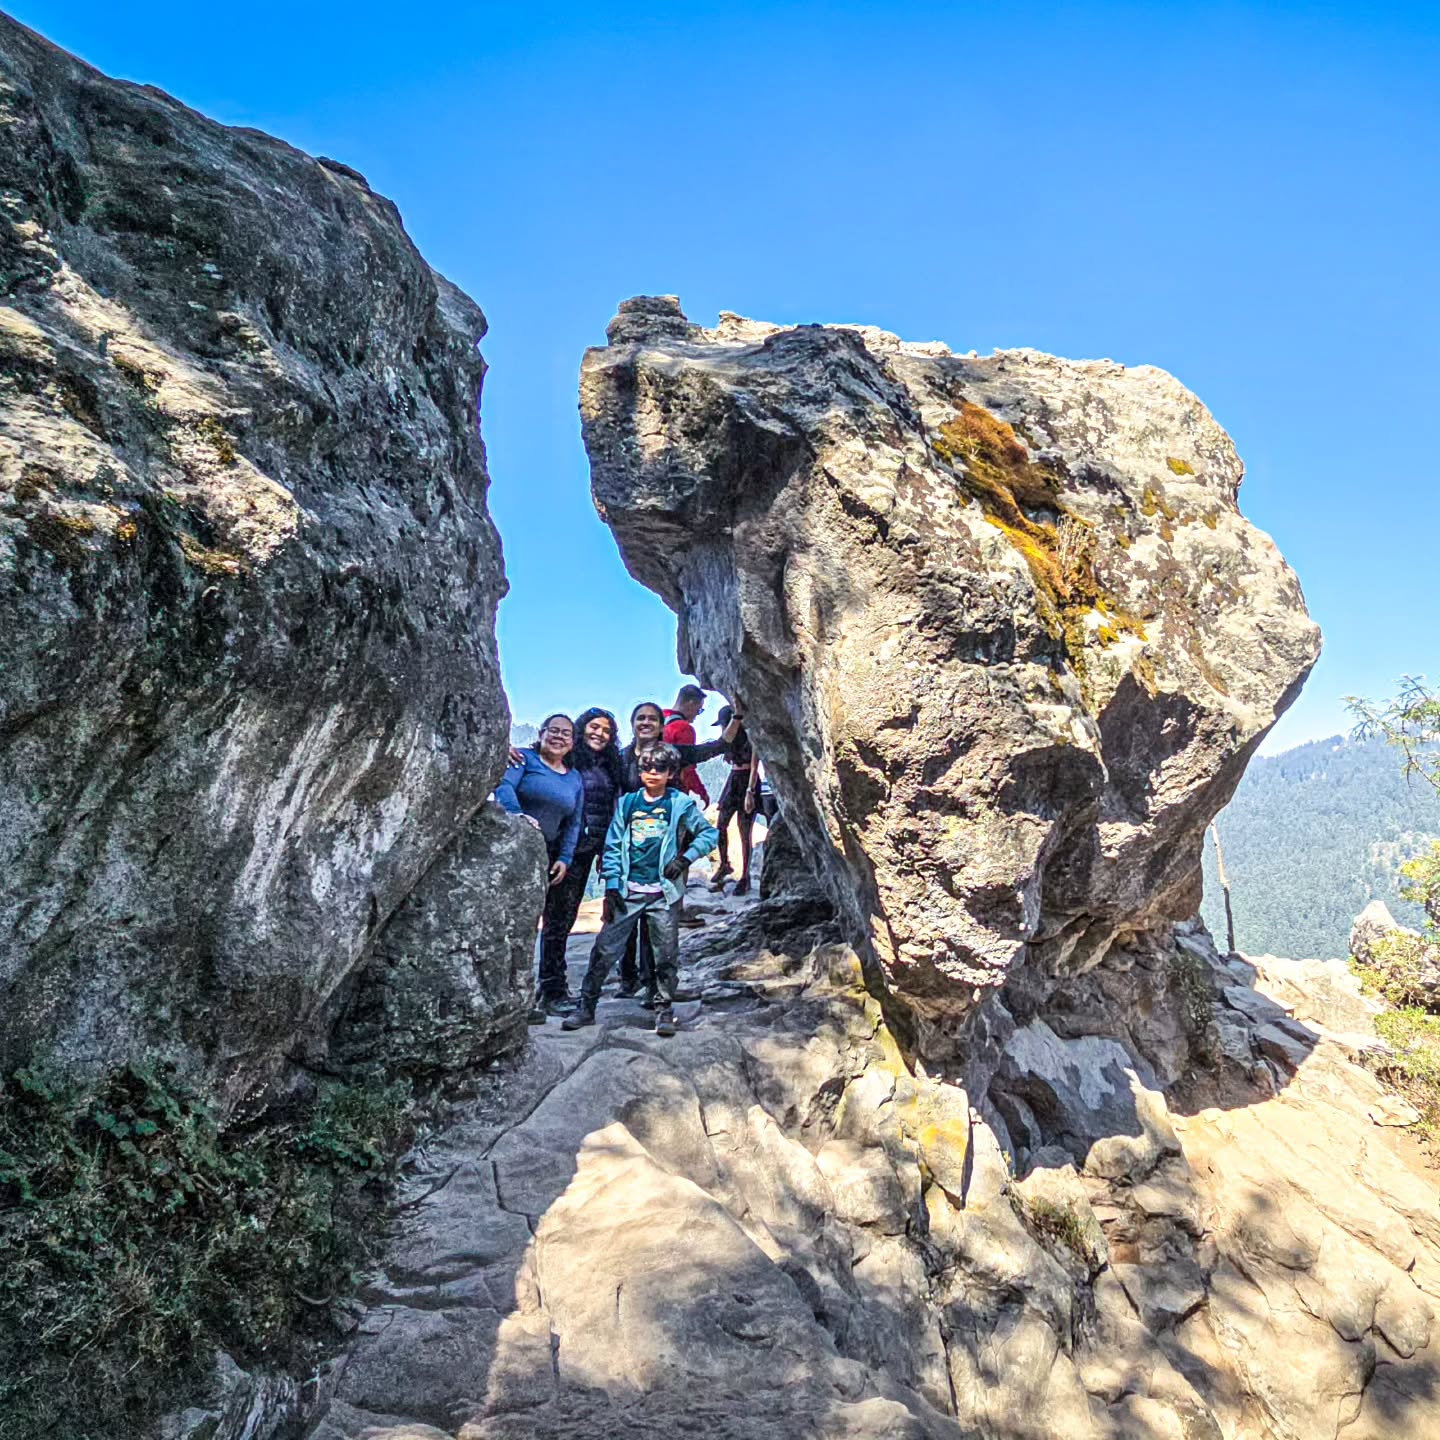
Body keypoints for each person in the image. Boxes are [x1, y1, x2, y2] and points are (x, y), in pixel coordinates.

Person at [562, 743, 719, 1038]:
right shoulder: (628, 804)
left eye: (659, 769)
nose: (652, 774)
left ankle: (663, 1008)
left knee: (665, 953)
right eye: (646, 768)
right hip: (628, 891)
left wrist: (685, 858)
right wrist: (611, 886)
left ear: (670, 773)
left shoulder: (679, 804)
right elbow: (613, 846)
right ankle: (586, 1006)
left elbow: (709, 833)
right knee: (605, 949)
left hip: (663, 892)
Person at [530, 708, 624, 1016]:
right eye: (593, 727)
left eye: (606, 730)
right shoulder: (570, 760)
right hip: (559, 848)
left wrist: (602, 851)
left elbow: (608, 809)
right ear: (581, 730)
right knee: (554, 922)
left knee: (562, 920)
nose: (599, 733)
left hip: (584, 852)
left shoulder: (610, 765)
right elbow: (539, 757)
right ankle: (550, 989)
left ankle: (551, 987)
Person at [494, 714, 584, 1011]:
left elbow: (573, 822)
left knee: (546, 925)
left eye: (566, 734)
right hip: (514, 848)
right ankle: (510, 998)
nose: (559, 737)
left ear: (573, 742)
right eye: (553, 731)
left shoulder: (573, 778)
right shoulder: (524, 759)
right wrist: (517, 815)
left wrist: (565, 858)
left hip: (549, 854)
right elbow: (504, 786)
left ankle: (544, 993)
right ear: (542, 733)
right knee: (512, 924)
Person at [709, 705, 760, 896]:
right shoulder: (730, 740)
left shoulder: (749, 734)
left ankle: (744, 878)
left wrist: (750, 790)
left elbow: (755, 762)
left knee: (744, 830)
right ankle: (725, 864)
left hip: (746, 779)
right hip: (734, 779)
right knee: (721, 824)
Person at [662, 683, 711, 803]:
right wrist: (702, 793)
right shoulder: (683, 728)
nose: (697, 715)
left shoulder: (658, 719)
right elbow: (687, 769)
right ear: (690, 703)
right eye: (698, 710)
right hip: (672, 795)